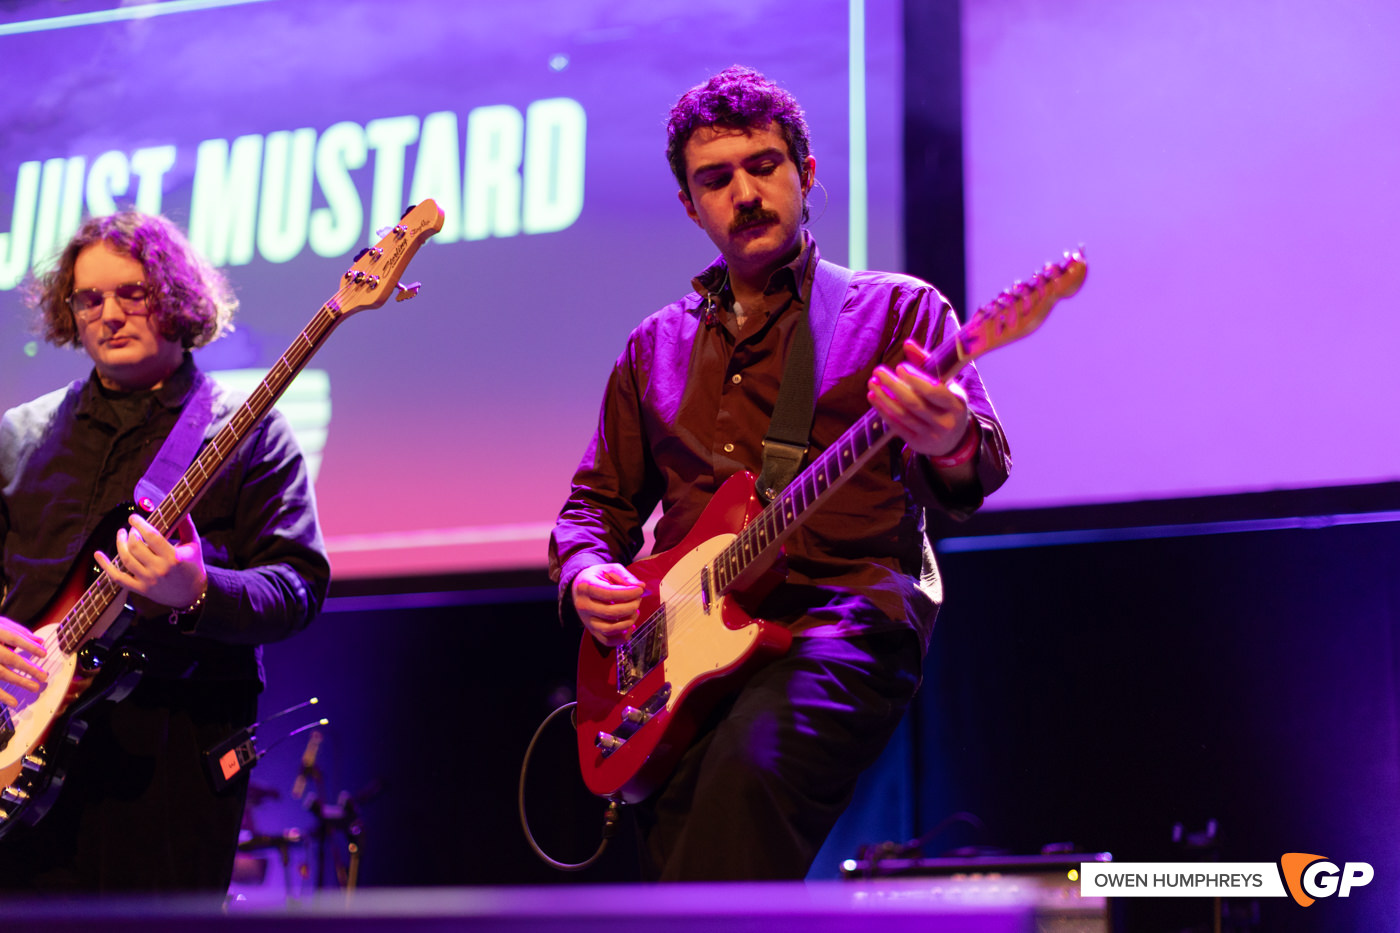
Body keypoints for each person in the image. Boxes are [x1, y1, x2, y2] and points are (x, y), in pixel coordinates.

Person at [549, 66, 1011, 881]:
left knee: (748, 774)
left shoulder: (900, 313)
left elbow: (975, 469)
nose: (746, 192)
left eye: (764, 165)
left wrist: (947, 438)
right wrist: (587, 571)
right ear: (691, 206)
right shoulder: (651, 347)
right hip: (682, 650)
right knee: (680, 838)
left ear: (806, 170)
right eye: (716, 179)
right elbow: (595, 506)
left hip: (837, 622)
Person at [0, 210, 330, 894]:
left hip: (164, 772)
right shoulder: (19, 436)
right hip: (16, 757)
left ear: (177, 298)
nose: (109, 314)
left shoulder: (249, 435)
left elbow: (297, 585)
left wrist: (199, 592)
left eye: (133, 293)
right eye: (89, 299)